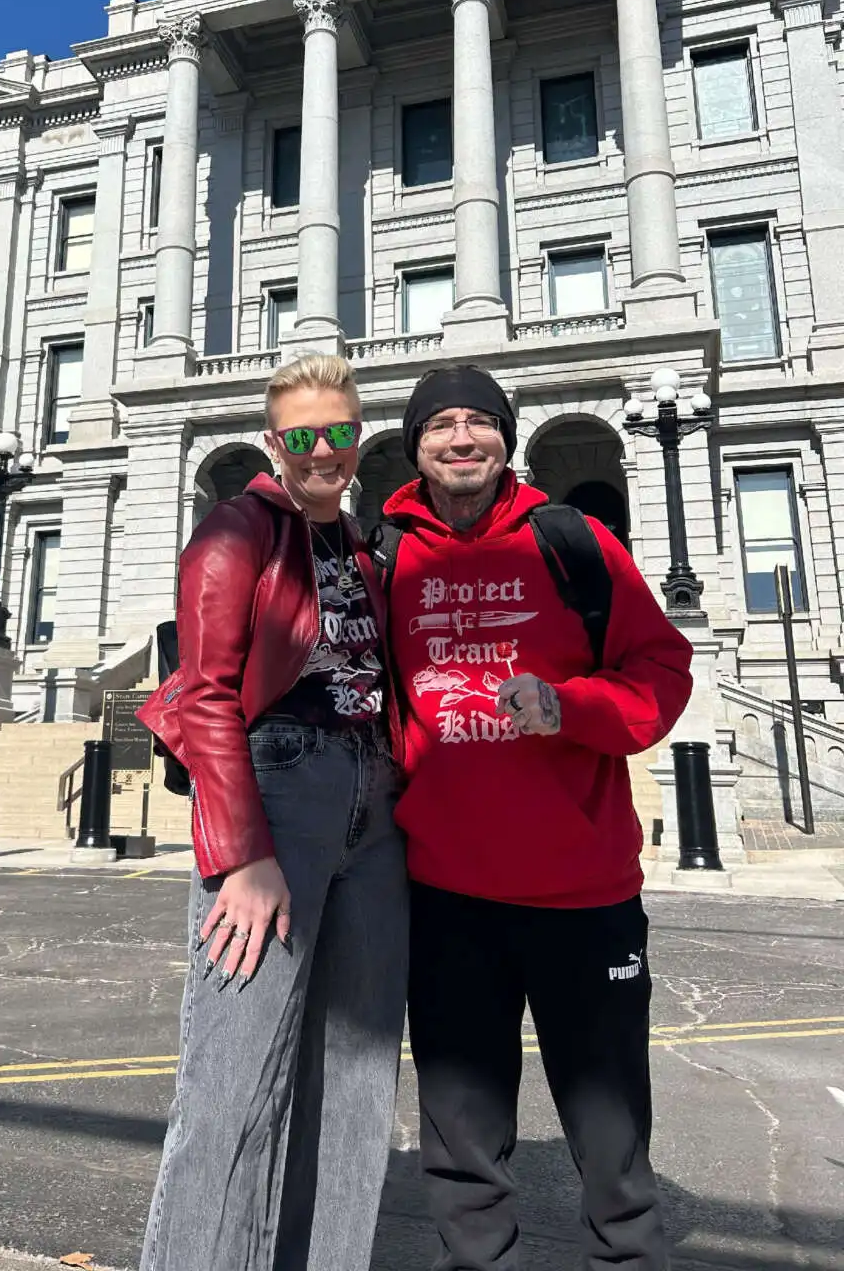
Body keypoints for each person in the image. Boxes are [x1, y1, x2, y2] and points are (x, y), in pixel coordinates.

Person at [380, 364, 693, 1271]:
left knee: (610, 1131)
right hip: (444, 890)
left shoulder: (574, 541)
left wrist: (570, 707)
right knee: (462, 1134)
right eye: (441, 425)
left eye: (480, 421)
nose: (461, 438)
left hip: (581, 889)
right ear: (417, 446)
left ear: (506, 439)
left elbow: (660, 671)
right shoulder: (387, 554)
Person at [135, 353, 407, 1271]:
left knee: (359, 1074)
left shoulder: (366, 548)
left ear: (359, 437)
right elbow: (207, 693)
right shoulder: (234, 529)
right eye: (303, 436)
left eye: (338, 431)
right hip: (280, 790)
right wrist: (241, 854)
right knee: (235, 1076)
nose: (323, 451)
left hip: (375, 805)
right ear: (273, 444)